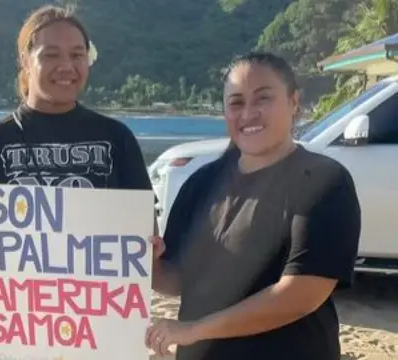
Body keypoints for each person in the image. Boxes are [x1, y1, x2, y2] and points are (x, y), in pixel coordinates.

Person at [145, 52, 361, 360]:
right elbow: (177, 279)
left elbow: (301, 294)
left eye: (263, 98)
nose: (248, 113)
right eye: (236, 102)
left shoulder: (324, 181)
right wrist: (148, 266)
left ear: (294, 102)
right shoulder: (201, 183)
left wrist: (195, 329)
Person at [0, 4, 158, 251]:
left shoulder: (117, 139)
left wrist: (150, 248)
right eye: (51, 54)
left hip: (97, 288)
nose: (66, 66)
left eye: (77, 55)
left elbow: (145, 228)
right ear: (26, 60)